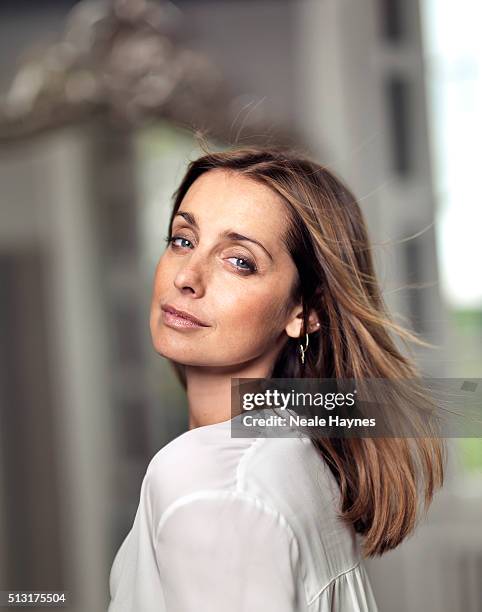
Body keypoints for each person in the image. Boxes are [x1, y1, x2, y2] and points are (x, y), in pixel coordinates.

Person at [108, 145, 446, 611]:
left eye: (239, 261)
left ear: (304, 311)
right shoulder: (301, 455)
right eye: (183, 239)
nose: (187, 276)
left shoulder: (207, 484)